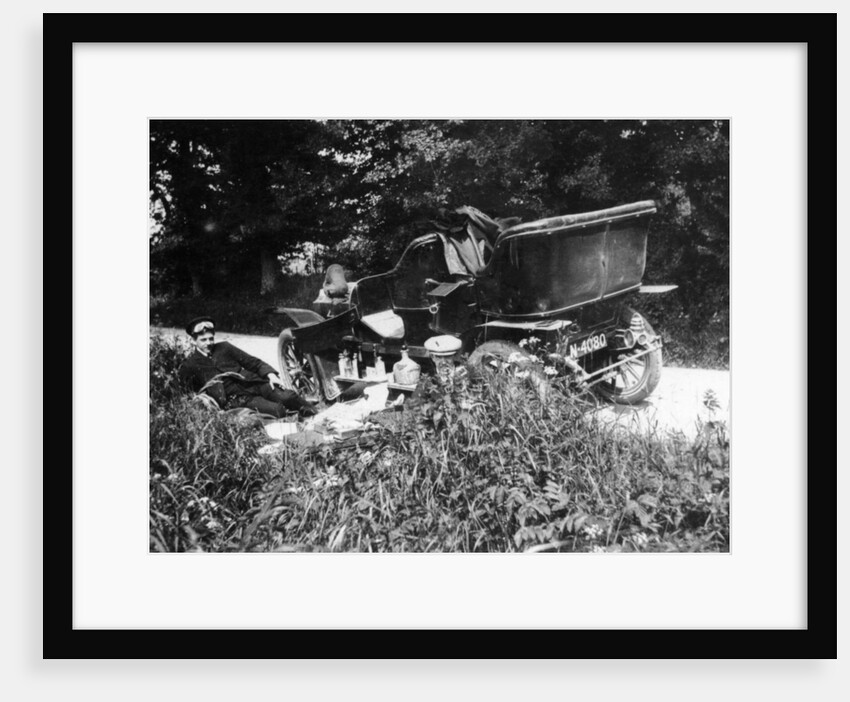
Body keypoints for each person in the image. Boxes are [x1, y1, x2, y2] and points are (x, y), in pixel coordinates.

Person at [178, 316, 317, 418]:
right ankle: (295, 421)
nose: (208, 343)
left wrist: (271, 375)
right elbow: (189, 392)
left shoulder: (224, 348)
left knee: (288, 397)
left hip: (256, 384)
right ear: (194, 340)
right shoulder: (190, 364)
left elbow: (254, 362)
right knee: (277, 410)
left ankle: (317, 415)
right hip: (238, 399)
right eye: (203, 340)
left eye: (210, 338)